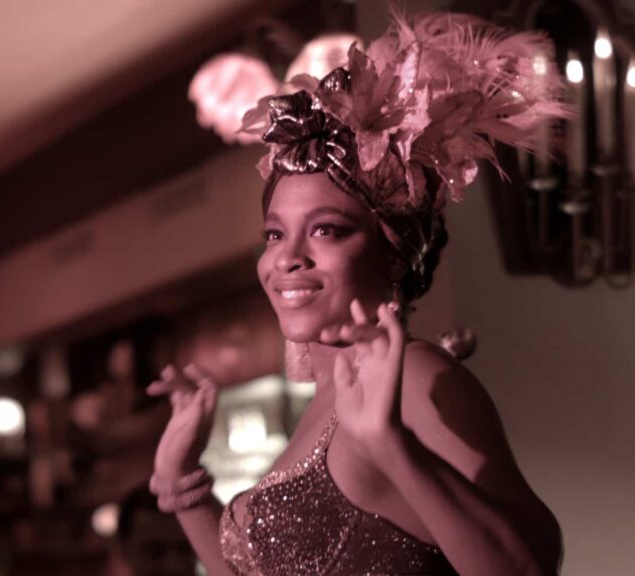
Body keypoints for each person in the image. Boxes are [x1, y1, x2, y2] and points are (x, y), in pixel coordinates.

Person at [148, 10, 567, 576]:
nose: (287, 258)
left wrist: (394, 447)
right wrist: (181, 483)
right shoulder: (328, 399)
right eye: (275, 234)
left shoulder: (419, 378)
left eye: (326, 230)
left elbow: (531, 567)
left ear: (392, 252)